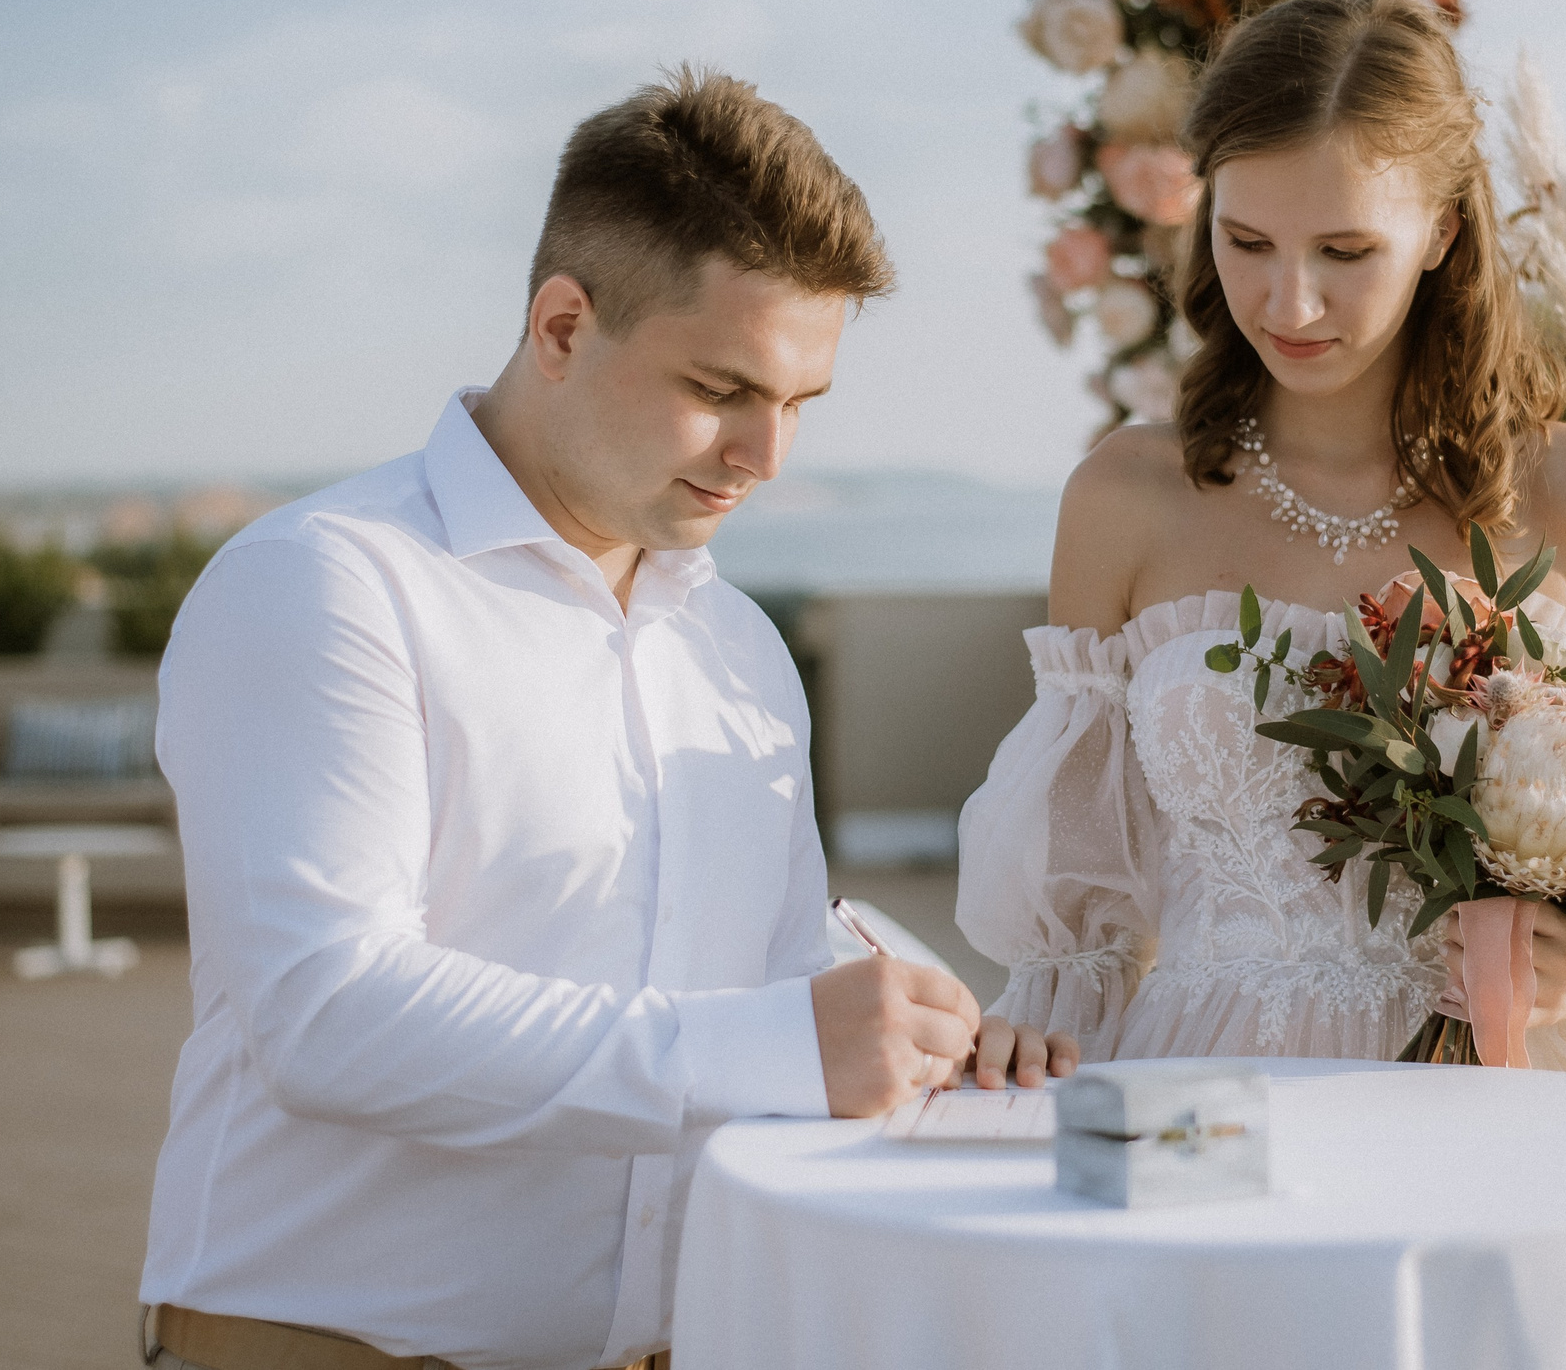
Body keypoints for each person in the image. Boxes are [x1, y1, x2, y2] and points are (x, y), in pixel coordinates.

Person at [138, 69, 1039, 1370]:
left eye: (800, 403)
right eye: (721, 386)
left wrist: (929, 1031)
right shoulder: (327, 584)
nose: (766, 455)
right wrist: (786, 1042)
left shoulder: (738, 645)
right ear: (561, 326)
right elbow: (330, 1012)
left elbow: (774, 971)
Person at [958, 0, 1566, 1088]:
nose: (1289, 301)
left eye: (1345, 250)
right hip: (1206, 1089)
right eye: (1246, 241)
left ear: (1442, 231)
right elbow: (1079, 924)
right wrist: (1027, 1042)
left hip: (1491, 1095)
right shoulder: (1125, 495)